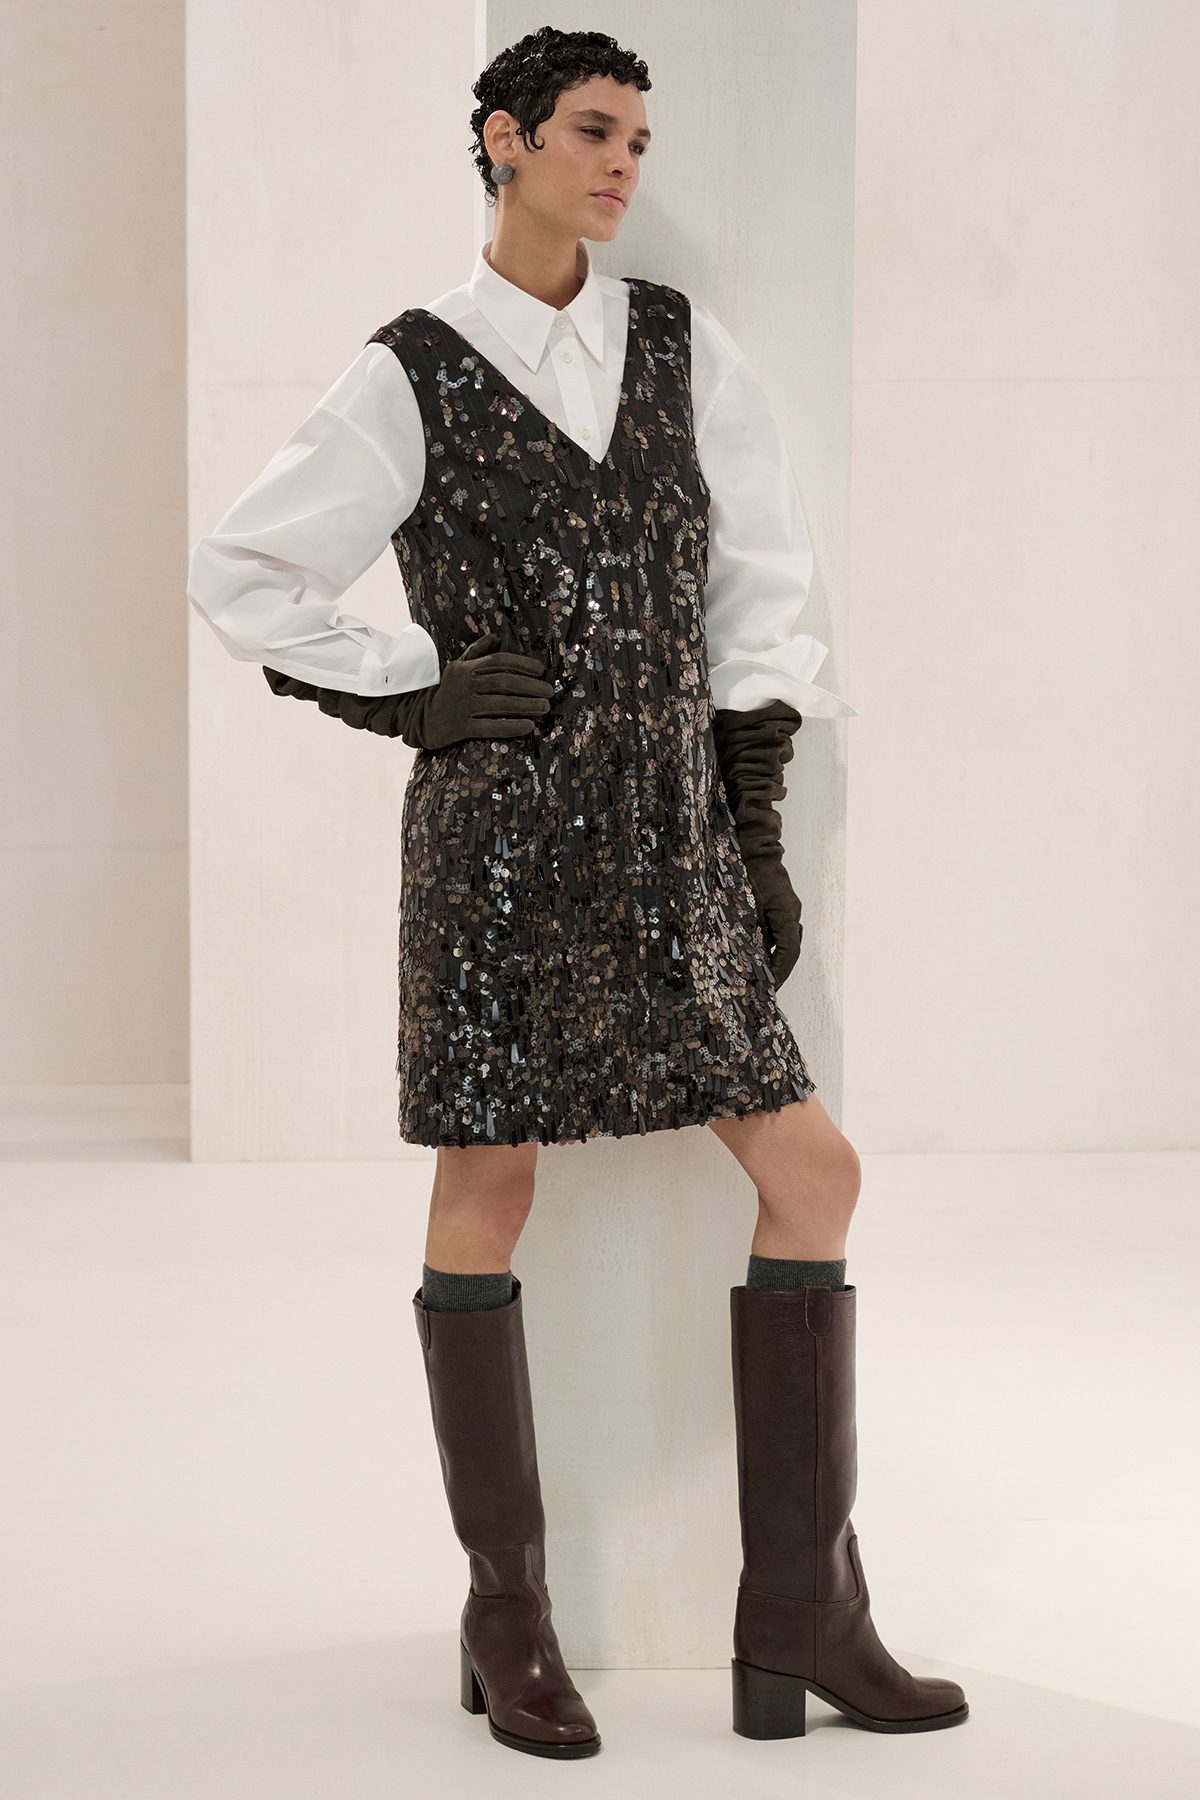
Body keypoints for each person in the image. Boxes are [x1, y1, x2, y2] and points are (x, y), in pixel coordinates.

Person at [188, 23, 968, 1762]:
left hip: (671, 839)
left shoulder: (682, 349)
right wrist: (407, 689)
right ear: (505, 139)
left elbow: (759, 591)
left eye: (638, 141)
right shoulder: (411, 368)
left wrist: (752, 826)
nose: (622, 166)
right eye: (593, 133)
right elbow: (243, 571)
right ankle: (508, 1609)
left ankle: (803, 1613)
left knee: (814, 1173)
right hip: (498, 847)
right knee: (491, 1182)